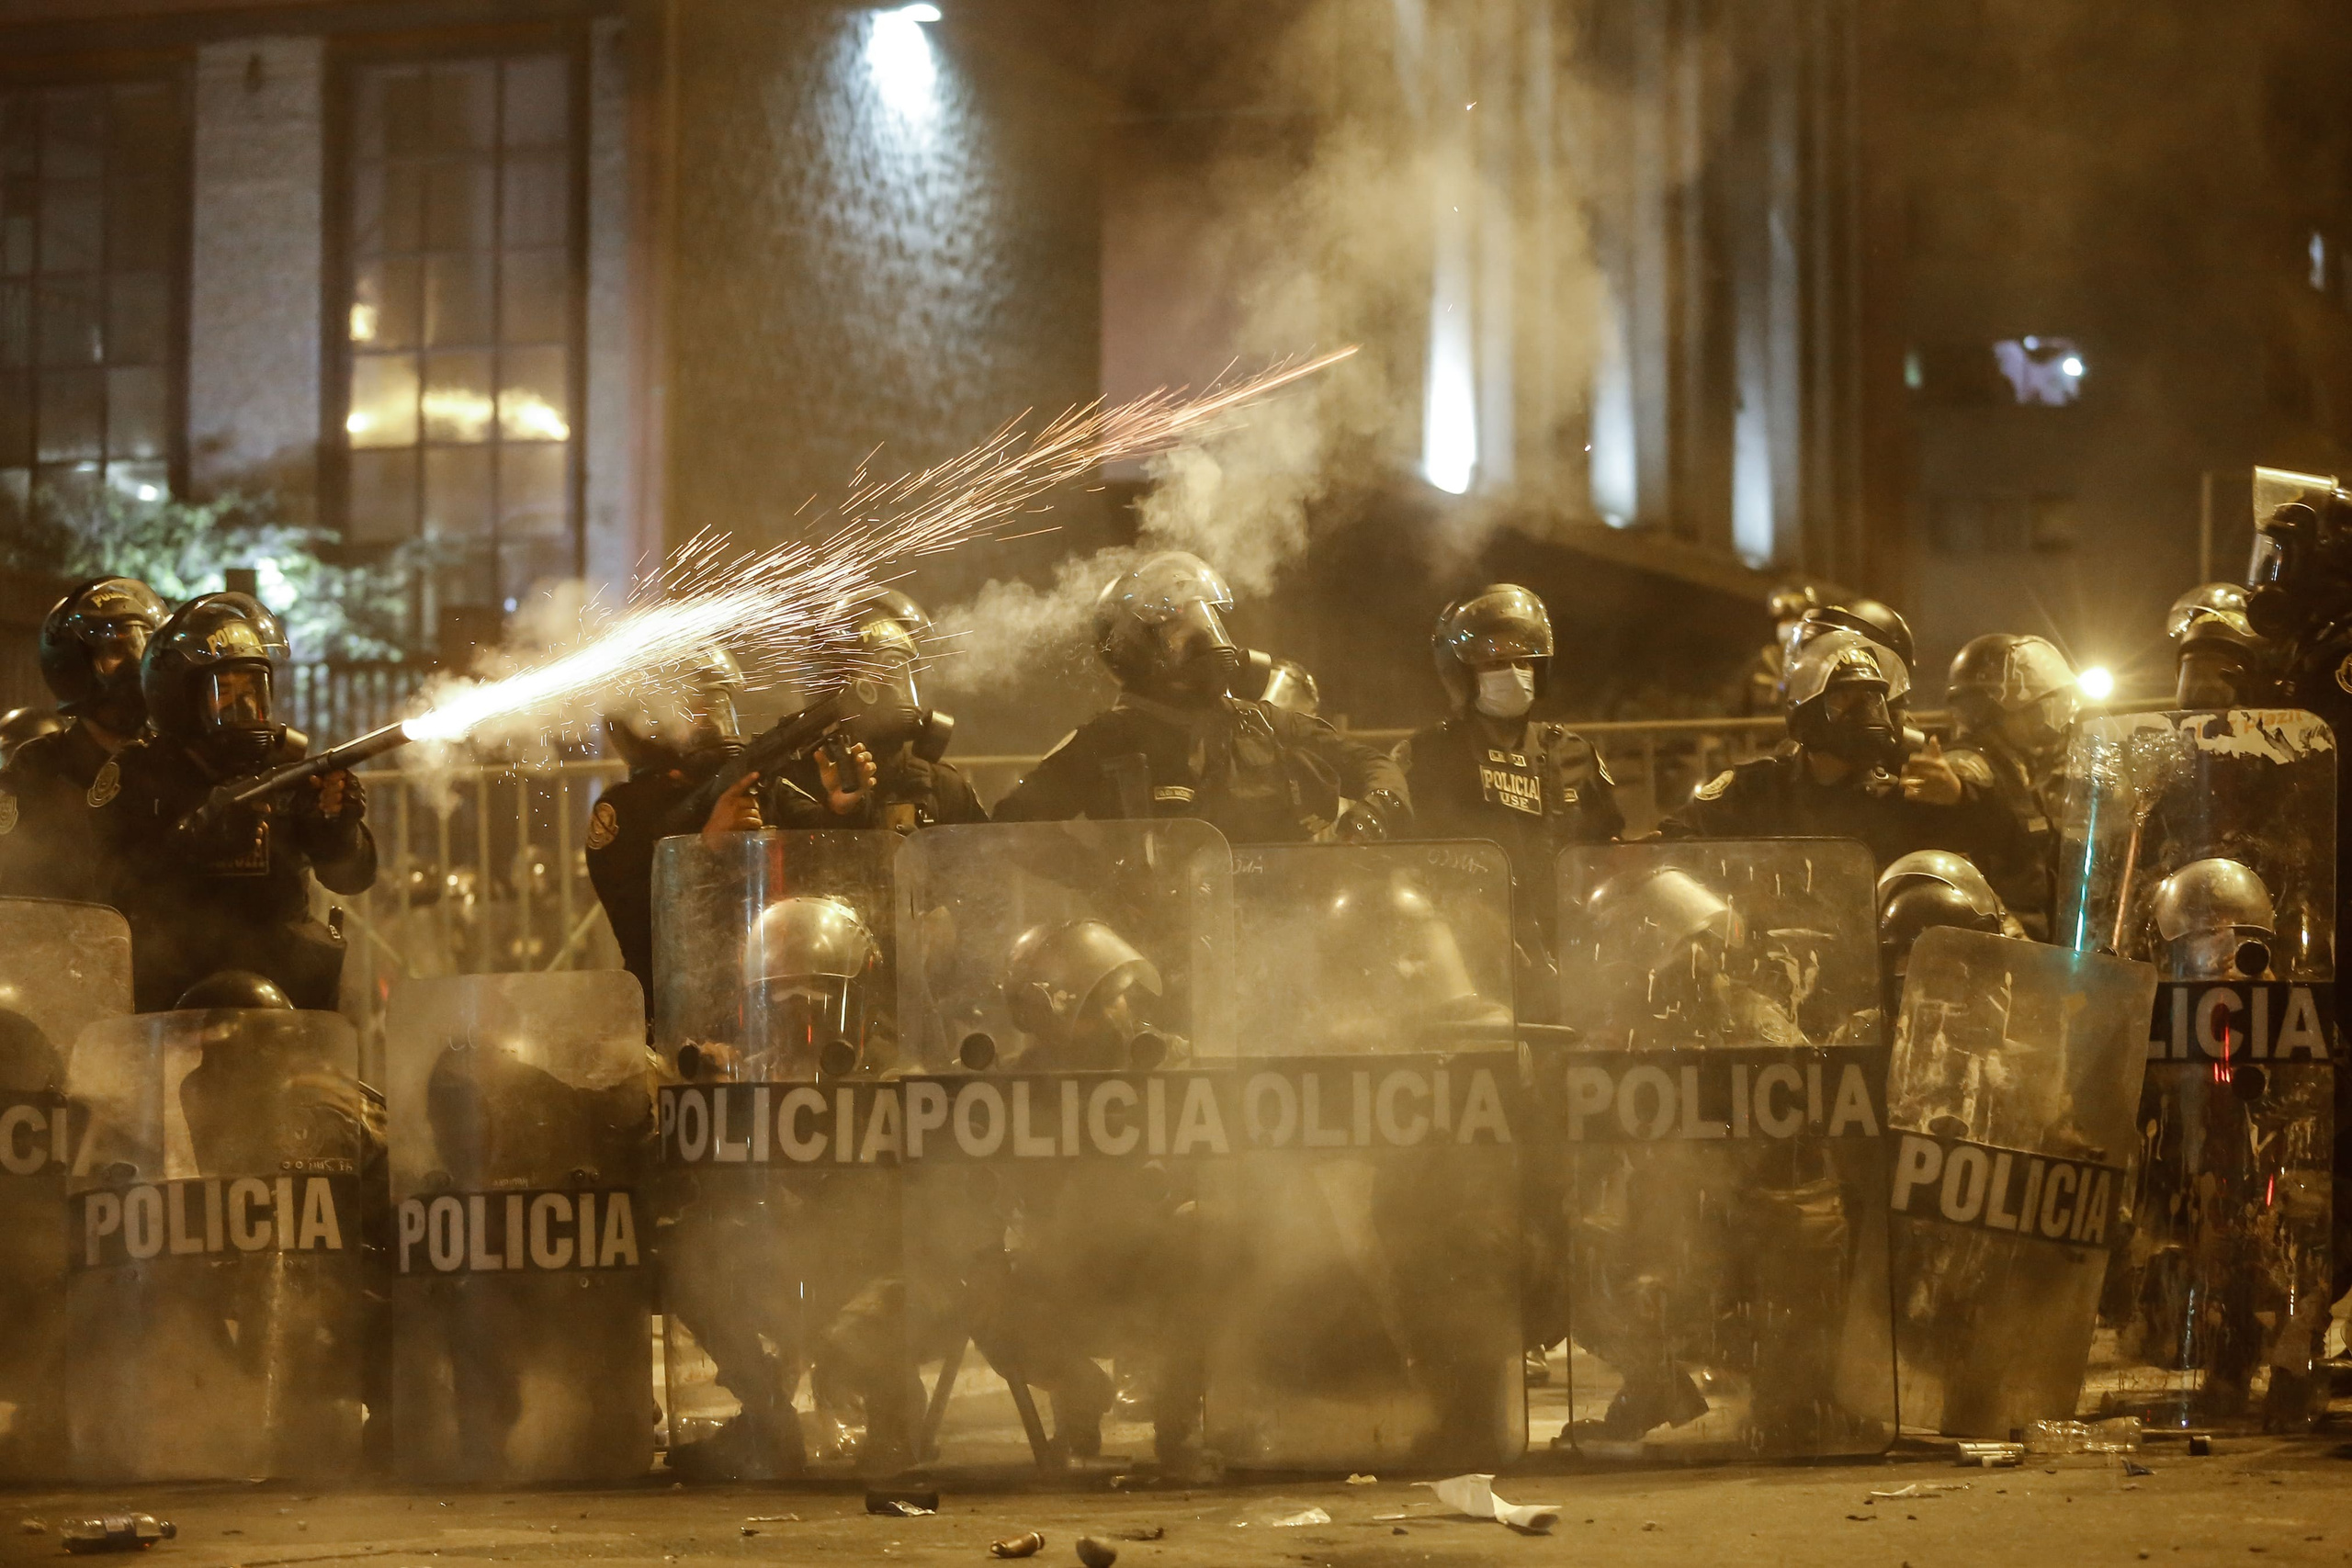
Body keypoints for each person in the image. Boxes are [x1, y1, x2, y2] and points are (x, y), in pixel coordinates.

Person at [992, 552, 1409, 842]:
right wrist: (1099, 873)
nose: (1209, 641)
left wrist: (1375, 811)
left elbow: (1374, 766)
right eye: (1182, 632)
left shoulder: (1261, 722)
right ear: (1136, 652)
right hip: (1161, 939)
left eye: (1207, 622)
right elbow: (1011, 825)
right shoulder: (1107, 740)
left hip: (1275, 928)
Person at [87, 592, 375, 1012]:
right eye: (227, 691)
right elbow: (104, 889)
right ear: (179, 698)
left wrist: (337, 830)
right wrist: (197, 838)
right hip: (177, 1010)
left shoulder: (286, 768)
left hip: (290, 1009)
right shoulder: (137, 775)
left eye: (254, 688)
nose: (246, 705)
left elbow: (351, 879)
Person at [1393, 584, 1621, 987]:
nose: (1512, 672)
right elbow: (1398, 868)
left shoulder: (1574, 753)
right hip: (1462, 957)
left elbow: (1610, 855)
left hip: (1572, 950)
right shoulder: (1426, 757)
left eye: (1522, 659)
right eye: (1494, 660)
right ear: (1461, 673)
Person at [1664, 629, 2000, 869]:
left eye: (1872, 699)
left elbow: (1997, 844)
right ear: (1807, 712)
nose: (1865, 713)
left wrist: (1960, 797)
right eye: (1844, 699)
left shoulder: (1899, 797)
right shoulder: (1758, 786)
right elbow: (1674, 838)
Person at [584, 648, 752, 1001]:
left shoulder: (737, 784)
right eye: (694, 706)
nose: (708, 716)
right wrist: (705, 849)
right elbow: (639, 929)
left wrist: (840, 806)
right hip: (674, 1005)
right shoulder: (623, 811)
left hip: (758, 988)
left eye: (712, 703)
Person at [749, 589, 987, 837]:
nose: (894, 690)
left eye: (898, 674)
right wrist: (840, 810)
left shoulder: (944, 787)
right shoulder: (788, 788)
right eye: (883, 675)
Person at [0, 577, 168, 901]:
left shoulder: (173, 757)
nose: (135, 664)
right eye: (117, 650)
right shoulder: (35, 768)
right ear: (72, 668)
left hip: (163, 946)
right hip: (66, 946)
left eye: (141, 647)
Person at [1937, 634, 2083, 941]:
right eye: (2032, 708)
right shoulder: (1969, 763)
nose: (2044, 719)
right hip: (2000, 949)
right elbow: (1969, 797)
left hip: (2037, 946)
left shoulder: (2019, 767)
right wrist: (1960, 794)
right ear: (1989, 709)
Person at [2167, 582, 2273, 709]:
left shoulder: (2286, 725)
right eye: (2195, 675)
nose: (2203, 688)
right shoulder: (2170, 727)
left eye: (2222, 680)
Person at [1738, 585, 1816, 715]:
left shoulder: (1817, 662)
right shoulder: (1759, 666)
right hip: (1763, 733)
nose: (1789, 625)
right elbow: (1736, 712)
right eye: (1784, 620)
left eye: (1796, 620)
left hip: (1801, 734)